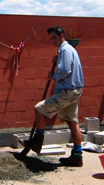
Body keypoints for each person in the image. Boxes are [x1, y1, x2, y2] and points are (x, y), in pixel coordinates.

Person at [19, 26, 84, 167]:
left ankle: (38, 141)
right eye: (51, 39)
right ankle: (77, 156)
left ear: (62, 35)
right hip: (74, 91)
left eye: (55, 37)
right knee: (72, 122)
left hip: (67, 91)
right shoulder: (68, 50)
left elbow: (65, 70)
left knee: (39, 108)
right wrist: (58, 58)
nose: (53, 40)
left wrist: (53, 76)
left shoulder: (65, 50)